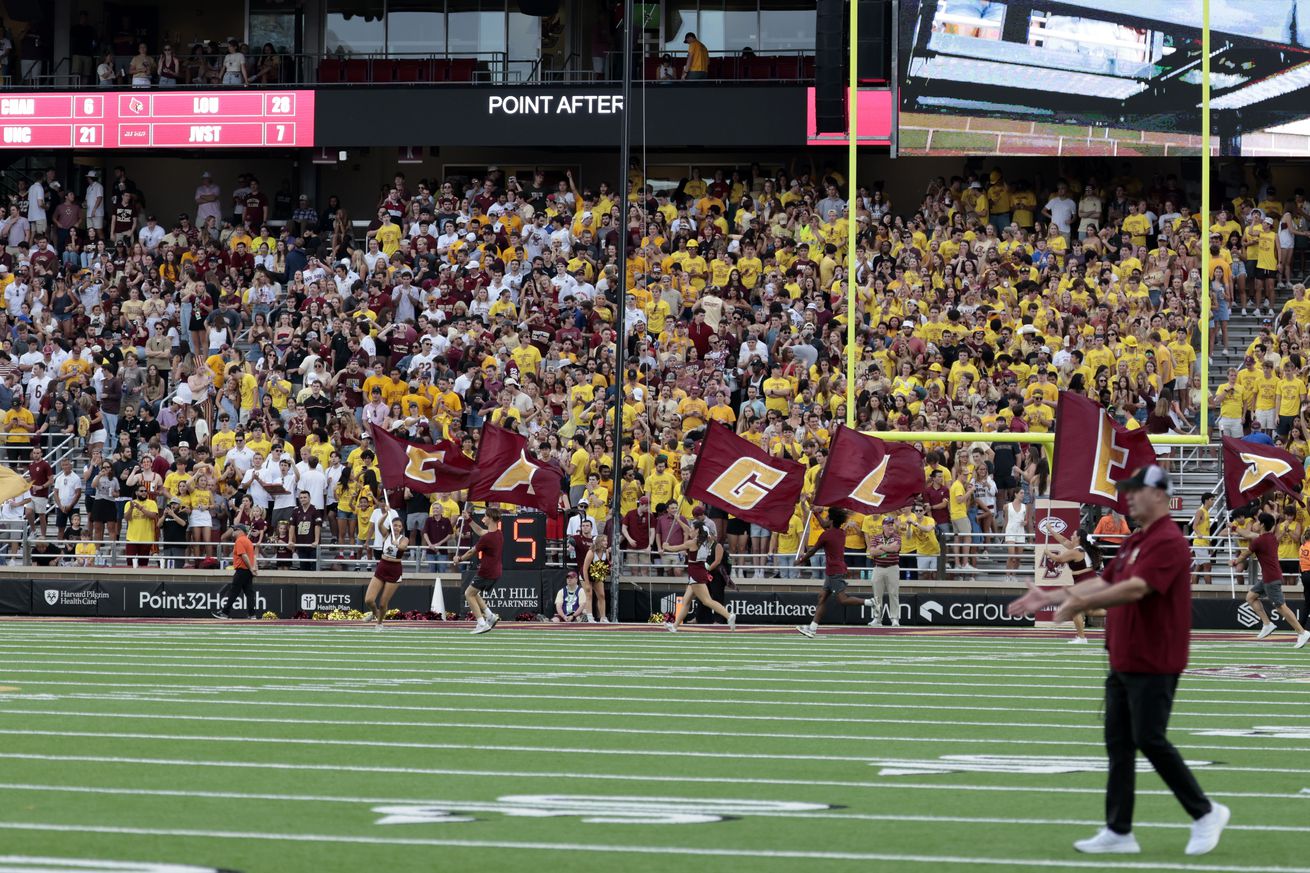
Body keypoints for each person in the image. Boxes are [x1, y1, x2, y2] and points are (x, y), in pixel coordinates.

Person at [1008, 465, 1229, 856]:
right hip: (1124, 655)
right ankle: (1119, 829)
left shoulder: (1168, 541)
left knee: (1149, 738)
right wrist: (1052, 596)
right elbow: (1102, 581)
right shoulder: (1135, 541)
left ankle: (1206, 812)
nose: (1127, 496)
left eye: (1135, 490)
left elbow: (1136, 588)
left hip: (1154, 656)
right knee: (1119, 744)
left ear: (1158, 494)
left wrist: (1080, 602)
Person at [1230, 511, 1310, 648]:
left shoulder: (1260, 541)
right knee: (1250, 597)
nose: (1254, 524)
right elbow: (1248, 534)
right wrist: (1233, 527)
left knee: (1281, 607)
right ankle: (1267, 624)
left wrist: (1235, 561)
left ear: (1261, 525)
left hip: (1271, 578)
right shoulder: (1270, 537)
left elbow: (1245, 554)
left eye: (1257, 522)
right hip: (1269, 577)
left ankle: (1302, 632)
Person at [796, 506, 875, 638]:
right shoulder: (839, 532)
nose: (825, 519)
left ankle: (871, 602)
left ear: (831, 521)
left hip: (834, 570)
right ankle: (812, 628)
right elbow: (824, 524)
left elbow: (812, 550)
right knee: (822, 597)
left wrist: (800, 560)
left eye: (827, 517)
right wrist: (815, 513)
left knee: (842, 600)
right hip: (833, 570)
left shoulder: (827, 535)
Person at [660, 505, 736, 632]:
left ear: (697, 531)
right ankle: (674, 626)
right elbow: (687, 529)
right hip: (698, 571)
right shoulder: (706, 539)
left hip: (696, 573)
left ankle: (729, 615)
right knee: (686, 601)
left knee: (707, 601)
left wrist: (666, 546)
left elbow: (676, 548)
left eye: (693, 529)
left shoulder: (692, 543)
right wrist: (678, 520)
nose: (690, 530)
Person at [1043, 527, 1104, 644]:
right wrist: (1050, 529)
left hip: (1086, 582)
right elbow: (1063, 540)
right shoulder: (1079, 548)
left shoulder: (1075, 552)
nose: (1071, 536)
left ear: (1078, 538)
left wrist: (1048, 553)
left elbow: (1059, 559)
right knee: (1090, 611)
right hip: (1088, 581)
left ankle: (1082, 638)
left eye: (1073, 535)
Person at [456, 506, 504, 635]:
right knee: (475, 593)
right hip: (495, 571)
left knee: (468, 594)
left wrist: (459, 558)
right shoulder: (498, 533)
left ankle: (481, 623)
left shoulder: (487, 538)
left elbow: (472, 552)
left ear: (491, 519)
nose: (483, 518)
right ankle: (490, 616)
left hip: (486, 571)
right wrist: (469, 519)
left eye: (485, 516)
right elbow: (481, 531)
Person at [363, 515, 408, 630]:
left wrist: (396, 543)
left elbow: (403, 547)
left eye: (399, 526)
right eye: (395, 525)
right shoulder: (386, 534)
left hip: (394, 569)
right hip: (382, 566)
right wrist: (386, 514)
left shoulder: (403, 538)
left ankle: (379, 623)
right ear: (391, 526)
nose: (397, 528)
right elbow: (379, 524)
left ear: (402, 528)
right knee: (369, 600)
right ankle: (374, 612)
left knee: (383, 603)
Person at [213, 523, 258, 619]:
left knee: (234, 591)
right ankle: (252, 614)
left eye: (235, 529)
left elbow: (244, 555)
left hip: (242, 570)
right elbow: (253, 556)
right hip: (247, 571)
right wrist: (254, 568)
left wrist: (251, 568)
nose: (233, 531)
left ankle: (225, 612)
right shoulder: (248, 541)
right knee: (249, 593)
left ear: (240, 531)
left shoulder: (240, 540)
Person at [866, 515, 901, 628]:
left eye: (892, 524)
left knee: (893, 593)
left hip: (893, 567)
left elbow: (895, 549)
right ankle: (877, 618)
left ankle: (895, 618)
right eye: (888, 524)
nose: (891, 526)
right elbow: (872, 552)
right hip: (878, 568)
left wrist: (881, 547)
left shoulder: (897, 537)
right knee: (877, 595)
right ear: (883, 526)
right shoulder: (876, 537)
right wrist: (887, 548)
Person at [581, 533, 612, 623]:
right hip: (585, 575)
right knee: (589, 594)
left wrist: (609, 568)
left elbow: (605, 566)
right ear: (599, 542)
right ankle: (590, 617)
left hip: (597, 576)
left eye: (606, 540)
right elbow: (585, 569)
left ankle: (603, 617)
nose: (606, 542)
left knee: (601, 595)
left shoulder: (605, 552)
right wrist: (587, 583)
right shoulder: (591, 552)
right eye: (604, 541)